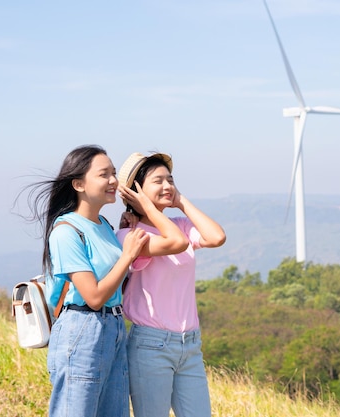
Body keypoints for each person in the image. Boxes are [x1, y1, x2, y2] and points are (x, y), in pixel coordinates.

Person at [20, 145, 152, 416]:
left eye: (114, 173)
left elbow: (115, 286)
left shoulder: (104, 225)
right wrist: (126, 256)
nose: (114, 181)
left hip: (114, 326)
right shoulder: (65, 231)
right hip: (83, 329)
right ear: (78, 183)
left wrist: (124, 235)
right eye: (104, 175)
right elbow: (93, 297)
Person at [116, 152, 226, 417]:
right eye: (158, 181)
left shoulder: (180, 225)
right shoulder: (130, 235)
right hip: (152, 345)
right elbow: (176, 242)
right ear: (137, 191)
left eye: (171, 179)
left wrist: (181, 202)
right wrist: (149, 209)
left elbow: (217, 237)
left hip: (190, 344)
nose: (167, 185)